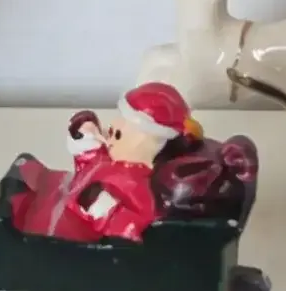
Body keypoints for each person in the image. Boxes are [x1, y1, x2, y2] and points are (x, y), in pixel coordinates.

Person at [18, 82, 204, 242]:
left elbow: (132, 228)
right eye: (113, 129)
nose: (110, 134)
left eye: (118, 134)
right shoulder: (112, 158)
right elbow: (88, 167)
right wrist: (85, 135)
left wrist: (103, 208)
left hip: (69, 235)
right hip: (57, 200)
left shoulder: (141, 188)